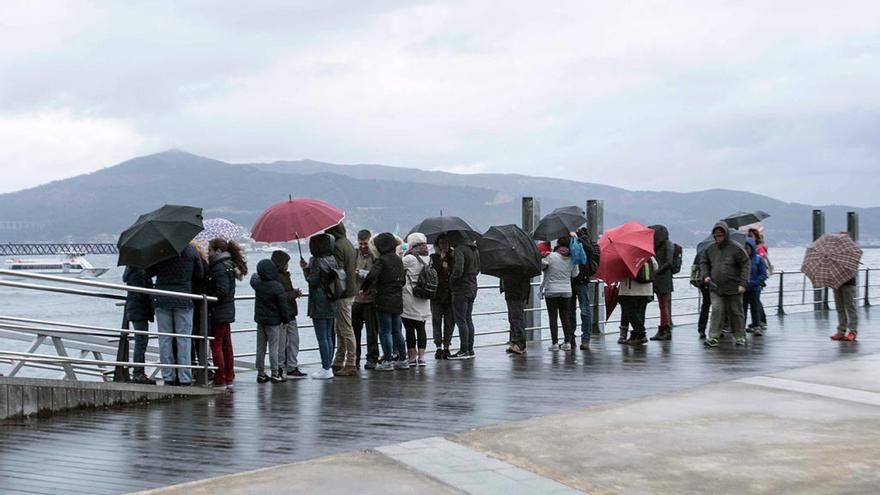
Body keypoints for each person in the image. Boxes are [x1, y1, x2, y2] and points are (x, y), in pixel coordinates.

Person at [146, 242, 204, 386]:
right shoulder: (191, 250)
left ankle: (168, 376)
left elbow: (148, 272)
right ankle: (185, 377)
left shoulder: (161, 250)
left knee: (165, 339)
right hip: (183, 299)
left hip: (162, 298)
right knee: (183, 339)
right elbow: (200, 273)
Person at [360, 232, 407, 371]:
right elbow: (403, 280)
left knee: (385, 331)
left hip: (383, 299)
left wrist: (364, 289)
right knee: (397, 331)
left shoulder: (381, 260)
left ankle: (387, 360)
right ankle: (403, 359)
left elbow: (371, 276)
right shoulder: (398, 259)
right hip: (397, 299)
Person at [700, 221, 750, 347]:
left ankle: (739, 335)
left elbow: (745, 264)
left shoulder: (736, 248)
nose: (718, 237)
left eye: (721, 235)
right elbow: (704, 262)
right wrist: (705, 275)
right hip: (715, 287)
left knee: (736, 312)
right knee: (717, 310)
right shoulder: (710, 249)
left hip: (734, 287)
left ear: (726, 234)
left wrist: (743, 283)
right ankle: (713, 336)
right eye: (716, 235)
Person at [206, 238, 247, 390]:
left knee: (216, 345)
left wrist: (209, 298)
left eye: (209, 250)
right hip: (227, 310)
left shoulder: (219, 267)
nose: (207, 253)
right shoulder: (229, 265)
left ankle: (220, 378)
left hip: (219, 311)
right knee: (226, 345)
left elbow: (222, 290)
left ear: (218, 251)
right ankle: (229, 376)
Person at [301, 233, 340, 379]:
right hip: (331, 299)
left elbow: (312, 281)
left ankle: (326, 367)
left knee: (322, 336)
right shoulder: (332, 259)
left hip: (319, 301)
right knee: (329, 335)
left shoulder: (317, 261)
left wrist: (305, 269)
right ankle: (328, 365)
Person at [325, 223, 358, 377]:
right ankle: (339, 360)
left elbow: (337, 270)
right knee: (340, 328)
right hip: (351, 290)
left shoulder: (337, 246)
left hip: (342, 292)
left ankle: (350, 362)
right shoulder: (349, 244)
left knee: (345, 328)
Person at [251, 259, 291, 383]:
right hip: (274, 322)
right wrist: (286, 320)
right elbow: (283, 307)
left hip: (260, 321)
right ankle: (275, 373)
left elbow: (253, 278)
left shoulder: (258, 284)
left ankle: (261, 373)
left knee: (260, 348)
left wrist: (257, 274)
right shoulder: (277, 286)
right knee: (274, 348)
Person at [270, 250, 307, 379]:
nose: (287, 265)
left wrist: (293, 292)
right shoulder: (278, 277)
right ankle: (286, 366)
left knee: (291, 341)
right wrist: (294, 294)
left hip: (289, 313)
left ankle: (289, 365)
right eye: (286, 262)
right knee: (286, 342)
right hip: (284, 314)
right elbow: (281, 296)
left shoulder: (284, 275)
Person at [542, 236, 579, 351]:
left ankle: (554, 343)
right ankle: (567, 342)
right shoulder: (573, 259)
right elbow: (575, 275)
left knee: (553, 317)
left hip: (551, 291)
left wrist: (542, 257)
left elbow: (542, 266)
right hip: (566, 291)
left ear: (558, 244)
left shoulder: (551, 256)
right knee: (565, 316)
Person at [448, 232, 481, 360]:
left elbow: (458, 270)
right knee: (468, 319)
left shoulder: (459, 250)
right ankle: (470, 349)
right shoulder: (474, 250)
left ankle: (463, 349)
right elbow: (478, 269)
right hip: (473, 286)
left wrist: (451, 280)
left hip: (461, 289)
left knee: (461, 320)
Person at [402, 233, 432, 367]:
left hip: (410, 295)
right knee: (421, 327)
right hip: (424, 296)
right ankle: (422, 357)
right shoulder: (428, 258)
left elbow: (397, 268)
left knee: (409, 328)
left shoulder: (409, 258)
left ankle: (412, 357)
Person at [123, 266, 155, 384]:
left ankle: (138, 372)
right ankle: (138, 373)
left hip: (134, 309)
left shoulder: (132, 270)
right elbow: (141, 293)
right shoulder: (140, 272)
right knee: (141, 342)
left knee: (140, 341)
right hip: (140, 310)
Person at [352, 230, 380, 369]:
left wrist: (363, 273)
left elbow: (377, 275)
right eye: (361, 243)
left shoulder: (375, 256)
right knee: (354, 331)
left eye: (365, 243)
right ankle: (355, 358)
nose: (363, 246)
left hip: (371, 298)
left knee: (372, 331)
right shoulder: (355, 254)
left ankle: (372, 358)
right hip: (356, 299)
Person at [569, 227, 600, 350]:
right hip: (568, 279)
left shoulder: (585, 238)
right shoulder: (565, 238)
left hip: (582, 278)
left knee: (585, 309)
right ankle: (570, 338)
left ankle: (585, 338)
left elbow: (590, 251)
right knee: (569, 311)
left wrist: (578, 239)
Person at [619, 257, 660, 346]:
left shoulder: (626, 257)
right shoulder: (647, 255)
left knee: (631, 313)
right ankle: (635, 336)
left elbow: (621, 271)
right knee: (640, 313)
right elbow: (656, 267)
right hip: (646, 289)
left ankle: (641, 334)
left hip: (630, 290)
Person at [430, 234, 455, 359]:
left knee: (450, 322)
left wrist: (447, 264)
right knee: (436, 321)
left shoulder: (453, 257)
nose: (443, 245)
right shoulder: (433, 258)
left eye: (445, 243)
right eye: (440, 243)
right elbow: (432, 272)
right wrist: (441, 261)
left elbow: (455, 272)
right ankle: (438, 347)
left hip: (450, 295)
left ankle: (447, 346)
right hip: (436, 295)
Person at [648, 225, 675, 341]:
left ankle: (665, 329)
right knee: (662, 305)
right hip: (661, 279)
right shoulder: (661, 245)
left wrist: (656, 271)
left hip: (663, 279)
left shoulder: (667, 245)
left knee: (663, 305)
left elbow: (669, 262)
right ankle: (664, 328)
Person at [189, 242, 211, 381]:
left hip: (192, 302)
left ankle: (192, 365)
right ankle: (203, 365)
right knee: (200, 337)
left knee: (190, 335)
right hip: (202, 304)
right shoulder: (204, 263)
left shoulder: (194, 263)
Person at [501, 270, 530, 355]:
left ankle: (520, 343)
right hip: (511, 292)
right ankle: (515, 341)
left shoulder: (519, 267)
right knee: (513, 318)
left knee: (517, 318)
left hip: (516, 293)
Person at [742, 238, 768, 336]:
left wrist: (756, 282)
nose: (746, 250)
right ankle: (741, 326)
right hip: (743, 288)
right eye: (744, 248)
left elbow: (763, 274)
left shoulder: (758, 259)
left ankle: (756, 326)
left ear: (752, 248)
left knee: (755, 307)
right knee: (742, 308)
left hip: (755, 288)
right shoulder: (741, 260)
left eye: (747, 248)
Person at [748, 227, 770, 330]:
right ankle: (757, 321)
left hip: (757, 277)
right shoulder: (750, 247)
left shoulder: (760, 248)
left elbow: (762, 259)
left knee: (756, 301)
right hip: (754, 277)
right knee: (755, 301)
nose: (750, 237)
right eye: (749, 236)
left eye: (751, 235)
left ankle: (760, 321)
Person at [691, 250, 712, 340]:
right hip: (712, 282)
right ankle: (719, 328)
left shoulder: (701, 252)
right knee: (717, 306)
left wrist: (696, 281)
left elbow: (694, 267)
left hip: (703, 283)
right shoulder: (716, 252)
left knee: (706, 305)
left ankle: (701, 328)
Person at [831, 277, 859, 342]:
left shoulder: (849, 266)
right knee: (839, 308)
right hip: (836, 284)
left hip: (848, 284)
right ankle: (841, 331)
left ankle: (852, 332)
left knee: (850, 308)